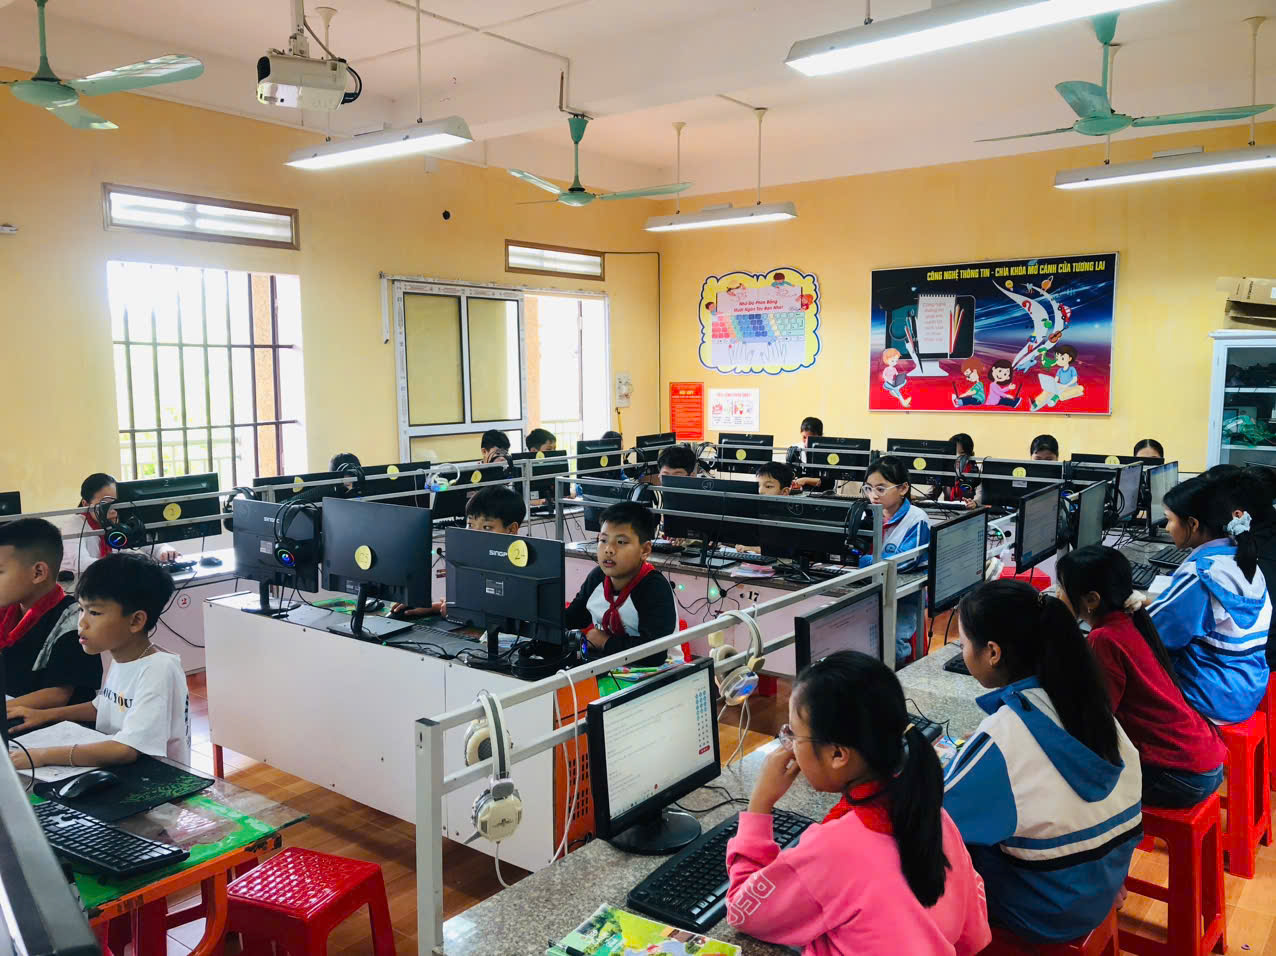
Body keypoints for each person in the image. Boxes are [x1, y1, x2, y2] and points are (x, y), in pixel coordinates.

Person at [726, 651, 991, 955]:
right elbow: (973, 936)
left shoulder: (833, 849)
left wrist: (759, 805)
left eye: (794, 736)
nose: (790, 747)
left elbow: (742, 911)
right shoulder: (933, 814)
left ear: (838, 754)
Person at [943, 580, 1142, 944]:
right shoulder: (1082, 702)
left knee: (933, 855)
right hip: (1103, 881)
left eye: (963, 643)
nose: (962, 650)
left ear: (992, 652)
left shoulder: (1004, 737)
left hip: (1047, 911)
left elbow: (934, 815)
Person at [1057, 546, 1225, 808]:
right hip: (1205, 763)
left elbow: (1098, 717)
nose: (1058, 595)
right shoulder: (1131, 619)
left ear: (1091, 599)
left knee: (1068, 781)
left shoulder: (1104, 639)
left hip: (1181, 778)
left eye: (1063, 588)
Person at [10, 553, 190, 770]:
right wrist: (43, 715)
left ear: (135, 621)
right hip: (123, 770)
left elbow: (126, 750)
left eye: (94, 612)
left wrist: (42, 755)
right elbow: (104, 707)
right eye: (81, 610)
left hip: (157, 778)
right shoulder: (124, 657)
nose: (82, 623)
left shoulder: (158, 670)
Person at [1148, 475, 1271, 724]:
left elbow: (1155, 633)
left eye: (1170, 520)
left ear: (1193, 524)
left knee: (1117, 654)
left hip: (1209, 696)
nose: (1166, 528)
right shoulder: (1241, 558)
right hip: (1245, 687)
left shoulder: (1202, 575)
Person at [0, 519, 101, 722]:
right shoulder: (7, 613)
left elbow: (57, 695)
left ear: (38, 573)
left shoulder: (74, 622)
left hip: (57, 726)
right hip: (13, 713)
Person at [565, 501, 675, 666]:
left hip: (662, 672)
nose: (608, 549)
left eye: (621, 542)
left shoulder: (654, 587)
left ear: (645, 550)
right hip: (610, 666)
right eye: (603, 540)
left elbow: (654, 654)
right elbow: (574, 618)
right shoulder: (597, 577)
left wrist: (605, 642)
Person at [390, 486, 526, 620]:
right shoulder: (473, 561)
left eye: (487, 527)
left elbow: (509, 618)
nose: (474, 534)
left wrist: (458, 613)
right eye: (470, 525)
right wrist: (431, 607)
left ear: (511, 529)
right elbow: (473, 604)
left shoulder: (519, 569)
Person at [859, 457, 930, 667]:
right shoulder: (865, 513)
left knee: (893, 642)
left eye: (881, 489)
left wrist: (865, 561)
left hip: (905, 596)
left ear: (903, 488)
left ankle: (895, 676)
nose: (873, 495)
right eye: (868, 488)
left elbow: (906, 562)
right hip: (870, 588)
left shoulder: (917, 518)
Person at [61, 473, 180, 581]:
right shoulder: (74, 525)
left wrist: (163, 551)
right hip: (77, 585)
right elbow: (81, 563)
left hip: (110, 583)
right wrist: (124, 565)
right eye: (105, 504)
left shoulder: (120, 520)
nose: (113, 510)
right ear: (86, 504)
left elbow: (144, 541)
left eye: (116, 503)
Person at [788, 417, 833, 492]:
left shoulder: (828, 452)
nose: (806, 442)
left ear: (820, 436)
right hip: (799, 493)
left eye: (811, 438)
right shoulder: (794, 450)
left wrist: (805, 480)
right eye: (804, 437)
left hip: (821, 493)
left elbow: (829, 483)